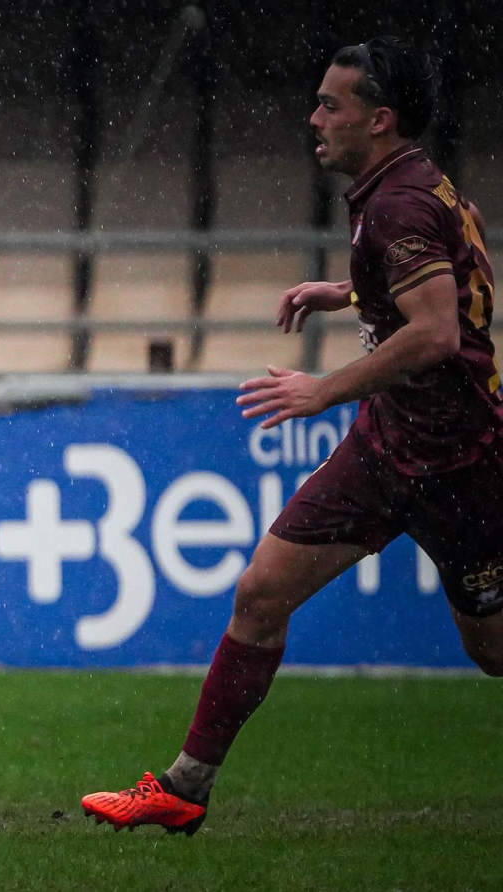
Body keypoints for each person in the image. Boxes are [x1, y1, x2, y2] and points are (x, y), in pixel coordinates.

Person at [82, 36, 501, 835]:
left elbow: (440, 331)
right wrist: (353, 292)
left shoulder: (399, 204)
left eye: (330, 105)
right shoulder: (408, 190)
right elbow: (463, 241)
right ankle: (185, 786)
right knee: (260, 592)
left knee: (492, 651)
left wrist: (323, 389)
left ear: (379, 120)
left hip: (461, 465)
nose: (314, 118)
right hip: (386, 451)